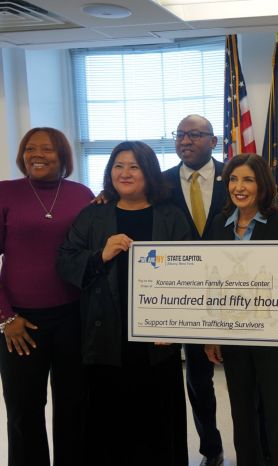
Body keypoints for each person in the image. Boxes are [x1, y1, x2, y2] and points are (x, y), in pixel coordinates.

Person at [57, 141, 190, 466]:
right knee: (109, 422)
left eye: (134, 166)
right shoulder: (93, 214)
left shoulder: (171, 215)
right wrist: (99, 255)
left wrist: (179, 324)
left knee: (158, 420)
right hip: (107, 338)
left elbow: (193, 271)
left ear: (149, 172)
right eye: (119, 165)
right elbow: (65, 261)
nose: (125, 173)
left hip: (158, 341)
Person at [0, 127, 93, 466]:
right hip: (20, 322)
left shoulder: (82, 194)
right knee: (24, 411)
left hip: (74, 316)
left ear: (63, 156)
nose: (37, 154)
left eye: (47, 149)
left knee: (75, 405)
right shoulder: (5, 193)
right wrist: (5, 317)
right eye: (30, 148)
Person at [204, 154, 278, 466]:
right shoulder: (218, 224)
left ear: (262, 185)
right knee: (241, 410)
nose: (239, 186)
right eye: (233, 179)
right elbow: (210, 281)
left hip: (274, 337)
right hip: (233, 335)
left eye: (248, 179)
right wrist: (210, 335)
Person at [164, 114, 225, 466]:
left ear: (213, 141)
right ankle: (211, 449)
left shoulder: (235, 177)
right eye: (181, 135)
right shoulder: (160, 183)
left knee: (245, 376)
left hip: (234, 291)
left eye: (196, 135)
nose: (186, 141)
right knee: (199, 380)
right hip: (186, 294)